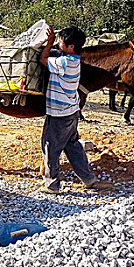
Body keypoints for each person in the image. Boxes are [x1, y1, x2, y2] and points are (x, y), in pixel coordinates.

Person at [39, 26, 96, 193]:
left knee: (50, 146)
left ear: (71, 47)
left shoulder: (64, 63)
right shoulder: (74, 60)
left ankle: (52, 184)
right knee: (72, 145)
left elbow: (43, 59)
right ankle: (88, 178)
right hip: (72, 111)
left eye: (60, 42)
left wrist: (49, 43)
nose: (58, 43)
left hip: (59, 113)